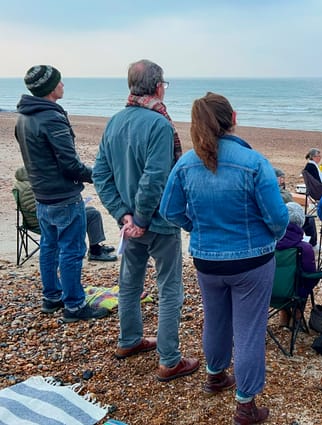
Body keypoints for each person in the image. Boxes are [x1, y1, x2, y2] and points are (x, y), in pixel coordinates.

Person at [159, 92, 288, 424]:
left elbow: (169, 211)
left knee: (215, 319)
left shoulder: (187, 163)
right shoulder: (254, 162)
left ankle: (216, 375)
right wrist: (268, 238)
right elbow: (277, 218)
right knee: (248, 330)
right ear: (233, 117)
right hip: (252, 261)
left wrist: (197, 229)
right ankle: (245, 404)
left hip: (207, 259)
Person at [93, 60, 197, 382]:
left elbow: (101, 175)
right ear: (157, 87)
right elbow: (154, 179)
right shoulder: (160, 125)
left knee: (129, 285)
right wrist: (135, 217)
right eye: (164, 83)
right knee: (169, 290)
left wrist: (123, 214)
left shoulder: (114, 122)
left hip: (130, 224)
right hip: (158, 222)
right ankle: (169, 359)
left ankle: (129, 340)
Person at [14, 65, 109, 322]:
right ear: (50, 87)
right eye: (60, 81)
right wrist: (98, 175)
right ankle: (75, 306)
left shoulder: (24, 117)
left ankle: (52, 297)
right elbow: (70, 165)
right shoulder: (51, 118)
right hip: (62, 196)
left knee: (49, 246)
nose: (63, 85)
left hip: (42, 195)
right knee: (71, 250)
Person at [13, 167, 117, 261]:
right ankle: (95, 251)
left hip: (40, 219)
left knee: (90, 210)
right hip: (46, 222)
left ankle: (96, 247)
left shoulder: (21, 185)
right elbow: (38, 207)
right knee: (93, 214)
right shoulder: (30, 188)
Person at [275, 202, 319, 326]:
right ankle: (297, 315)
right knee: (304, 281)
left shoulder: (266, 244)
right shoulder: (305, 248)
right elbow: (310, 279)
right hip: (294, 294)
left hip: (266, 293)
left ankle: (283, 313)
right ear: (301, 222)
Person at [275, 167, 318, 246]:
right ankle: (313, 244)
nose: (282, 180)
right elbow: (288, 200)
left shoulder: (276, 189)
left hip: (284, 215)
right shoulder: (278, 192)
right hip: (284, 218)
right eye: (280, 178)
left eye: (283, 178)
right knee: (310, 220)